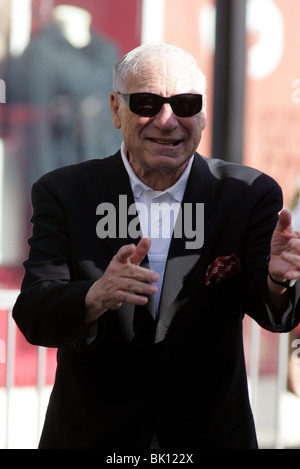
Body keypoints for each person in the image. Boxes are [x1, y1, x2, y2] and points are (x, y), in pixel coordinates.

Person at [13, 43, 300, 449]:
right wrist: (94, 297)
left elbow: (274, 312)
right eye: (147, 103)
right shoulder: (64, 192)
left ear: (201, 114)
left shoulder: (248, 194)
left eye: (184, 104)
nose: (167, 121)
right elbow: (34, 312)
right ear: (116, 109)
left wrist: (277, 280)